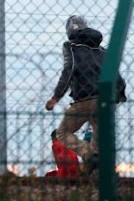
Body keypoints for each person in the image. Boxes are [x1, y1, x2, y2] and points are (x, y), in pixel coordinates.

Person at [45, 15, 127, 176]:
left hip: (83, 100)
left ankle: (89, 157)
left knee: (62, 133)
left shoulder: (71, 47)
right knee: (98, 141)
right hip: (104, 101)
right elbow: (116, 75)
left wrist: (56, 97)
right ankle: (98, 171)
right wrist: (119, 96)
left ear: (69, 30)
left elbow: (69, 71)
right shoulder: (103, 51)